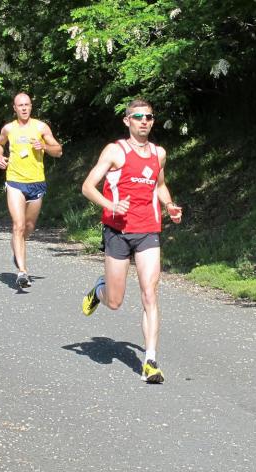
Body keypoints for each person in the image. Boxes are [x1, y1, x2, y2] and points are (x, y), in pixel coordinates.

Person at [80, 98, 182, 384]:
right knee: (115, 301)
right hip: (117, 232)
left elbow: (159, 185)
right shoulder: (115, 151)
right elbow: (88, 187)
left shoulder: (159, 153)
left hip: (149, 230)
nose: (144, 121)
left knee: (150, 292)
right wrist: (110, 205)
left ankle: (150, 361)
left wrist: (170, 206)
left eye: (149, 117)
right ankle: (99, 290)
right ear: (127, 121)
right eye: (138, 117)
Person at [0, 92, 63, 288]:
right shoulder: (9, 128)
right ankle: (22, 271)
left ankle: (17, 245)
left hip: (37, 182)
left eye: (27, 105)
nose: (24, 108)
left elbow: (58, 150)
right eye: (20, 105)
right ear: (14, 108)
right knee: (19, 224)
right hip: (15, 181)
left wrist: (44, 146)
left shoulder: (41, 127)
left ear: (31, 107)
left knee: (29, 226)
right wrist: (0, 157)